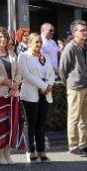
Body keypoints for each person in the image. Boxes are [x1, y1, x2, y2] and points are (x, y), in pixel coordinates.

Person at [0, 27, 23, 162]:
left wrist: (15, 84)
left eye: (5, 37)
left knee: (12, 125)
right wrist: (7, 82)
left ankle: (8, 152)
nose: (2, 39)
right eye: (0, 37)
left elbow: (19, 72)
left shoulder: (12, 54)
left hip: (13, 95)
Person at [59, 20, 87, 157]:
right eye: (81, 30)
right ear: (74, 33)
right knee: (74, 118)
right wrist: (70, 82)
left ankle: (84, 145)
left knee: (85, 118)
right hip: (75, 87)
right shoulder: (70, 48)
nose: (85, 32)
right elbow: (63, 70)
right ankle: (74, 146)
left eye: (86, 30)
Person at [18, 32, 56, 162]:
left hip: (45, 93)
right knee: (30, 123)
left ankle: (41, 150)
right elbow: (27, 75)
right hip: (30, 93)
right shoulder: (23, 56)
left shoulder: (45, 57)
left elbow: (51, 73)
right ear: (30, 43)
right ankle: (31, 151)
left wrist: (49, 85)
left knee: (41, 123)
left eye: (40, 42)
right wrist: (44, 85)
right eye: (36, 42)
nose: (39, 44)